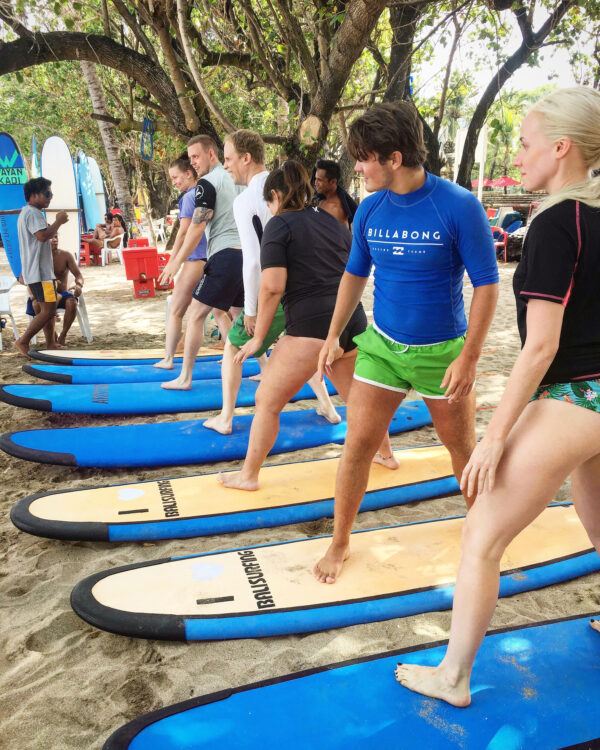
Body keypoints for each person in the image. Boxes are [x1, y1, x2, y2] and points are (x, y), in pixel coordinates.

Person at [395, 86, 600, 706]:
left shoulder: (554, 222)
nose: (521, 153)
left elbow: (539, 350)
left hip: (575, 397)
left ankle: (452, 677)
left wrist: (494, 439)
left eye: (528, 142)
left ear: (560, 148)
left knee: (481, 538)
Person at [313, 101, 499, 583]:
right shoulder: (371, 209)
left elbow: (487, 284)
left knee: (462, 451)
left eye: (363, 156)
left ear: (393, 158)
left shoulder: (459, 205)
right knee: (356, 446)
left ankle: (483, 536)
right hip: (383, 348)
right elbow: (354, 276)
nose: (356, 166)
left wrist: (470, 357)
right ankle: (339, 544)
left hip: (443, 353)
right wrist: (334, 336)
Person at [216, 160, 397, 492]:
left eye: (269, 203)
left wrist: (258, 338)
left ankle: (249, 475)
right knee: (357, 400)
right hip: (351, 320)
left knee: (266, 401)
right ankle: (386, 454)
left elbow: (272, 287)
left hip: (312, 328)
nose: (269, 209)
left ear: (274, 195)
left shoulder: (279, 224)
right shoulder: (330, 221)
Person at [203, 130, 340, 434]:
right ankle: (328, 407)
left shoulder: (247, 200)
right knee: (297, 350)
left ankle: (225, 418)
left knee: (232, 349)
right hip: (305, 292)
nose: (225, 166)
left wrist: (251, 310)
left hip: (275, 292)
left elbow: (254, 261)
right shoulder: (287, 188)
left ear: (246, 158)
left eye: (228, 159)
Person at [161, 135, 244, 390]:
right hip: (245, 256)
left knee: (196, 315)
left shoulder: (207, 183)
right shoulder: (238, 179)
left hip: (224, 255)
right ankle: (263, 367)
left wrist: (176, 261)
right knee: (238, 316)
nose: (193, 162)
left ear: (212, 154)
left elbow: (196, 227)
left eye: (196, 156)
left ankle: (185, 378)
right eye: (191, 158)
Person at [154, 154, 208, 369]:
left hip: (195, 260)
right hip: (212, 259)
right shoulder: (207, 193)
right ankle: (235, 354)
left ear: (189, 173)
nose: (174, 182)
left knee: (176, 311)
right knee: (217, 312)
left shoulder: (189, 197)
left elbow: (184, 233)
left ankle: (168, 359)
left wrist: (173, 260)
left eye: (176, 177)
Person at [14, 177, 69, 357]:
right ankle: (23, 341)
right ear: (33, 195)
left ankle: (51, 343)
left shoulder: (31, 213)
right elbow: (42, 236)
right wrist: (59, 221)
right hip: (38, 273)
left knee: (50, 309)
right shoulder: (32, 213)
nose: (50, 197)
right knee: (48, 310)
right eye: (47, 193)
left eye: (51, 193)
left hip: (43, 272)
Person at [26, 236, 84, 346]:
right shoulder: (36, 257)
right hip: (43, 294)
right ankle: (52, 336)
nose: (55, 239)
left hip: (62, 293)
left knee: (72, 303)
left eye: (56, 236)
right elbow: (26, 279)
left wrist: (79, 285)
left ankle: (63, 335)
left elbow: (78, 275)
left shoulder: (65, 255)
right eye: (51, 237)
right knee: (36, 304)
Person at [313, 159, 358, 227]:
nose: (315, 183)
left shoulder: (337, 210)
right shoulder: (320, 197)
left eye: (319, 180)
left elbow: (343, 236)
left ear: (333, 182)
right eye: (315, 179)